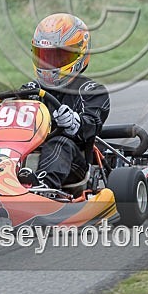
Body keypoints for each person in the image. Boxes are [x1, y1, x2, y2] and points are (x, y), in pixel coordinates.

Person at [20, 12, 110, 190]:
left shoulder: (91, 91)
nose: (50, 64)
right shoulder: (29, 89)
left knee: (59, 143)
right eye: (45, 57)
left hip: (73, 162)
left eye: (59, 57)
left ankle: (44, 188)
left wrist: (75, 123)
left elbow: (92, 125)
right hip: (24, 155)